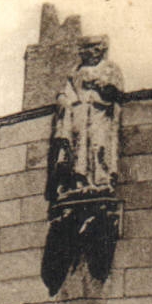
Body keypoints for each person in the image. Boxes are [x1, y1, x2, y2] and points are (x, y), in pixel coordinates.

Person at [47, 37, 124, 206]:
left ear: (99, 50)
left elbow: (117, 92)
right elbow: (65, 91)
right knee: (78, 150)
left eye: (91, 49)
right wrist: (63, 99)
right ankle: (80, 182)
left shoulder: (111, 69)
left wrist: (101, 85)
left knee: (99, 146)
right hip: (79, 115)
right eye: (85, 50)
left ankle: (101, 182)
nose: (86, 53)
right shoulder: (76, 71)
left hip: (100, 114)